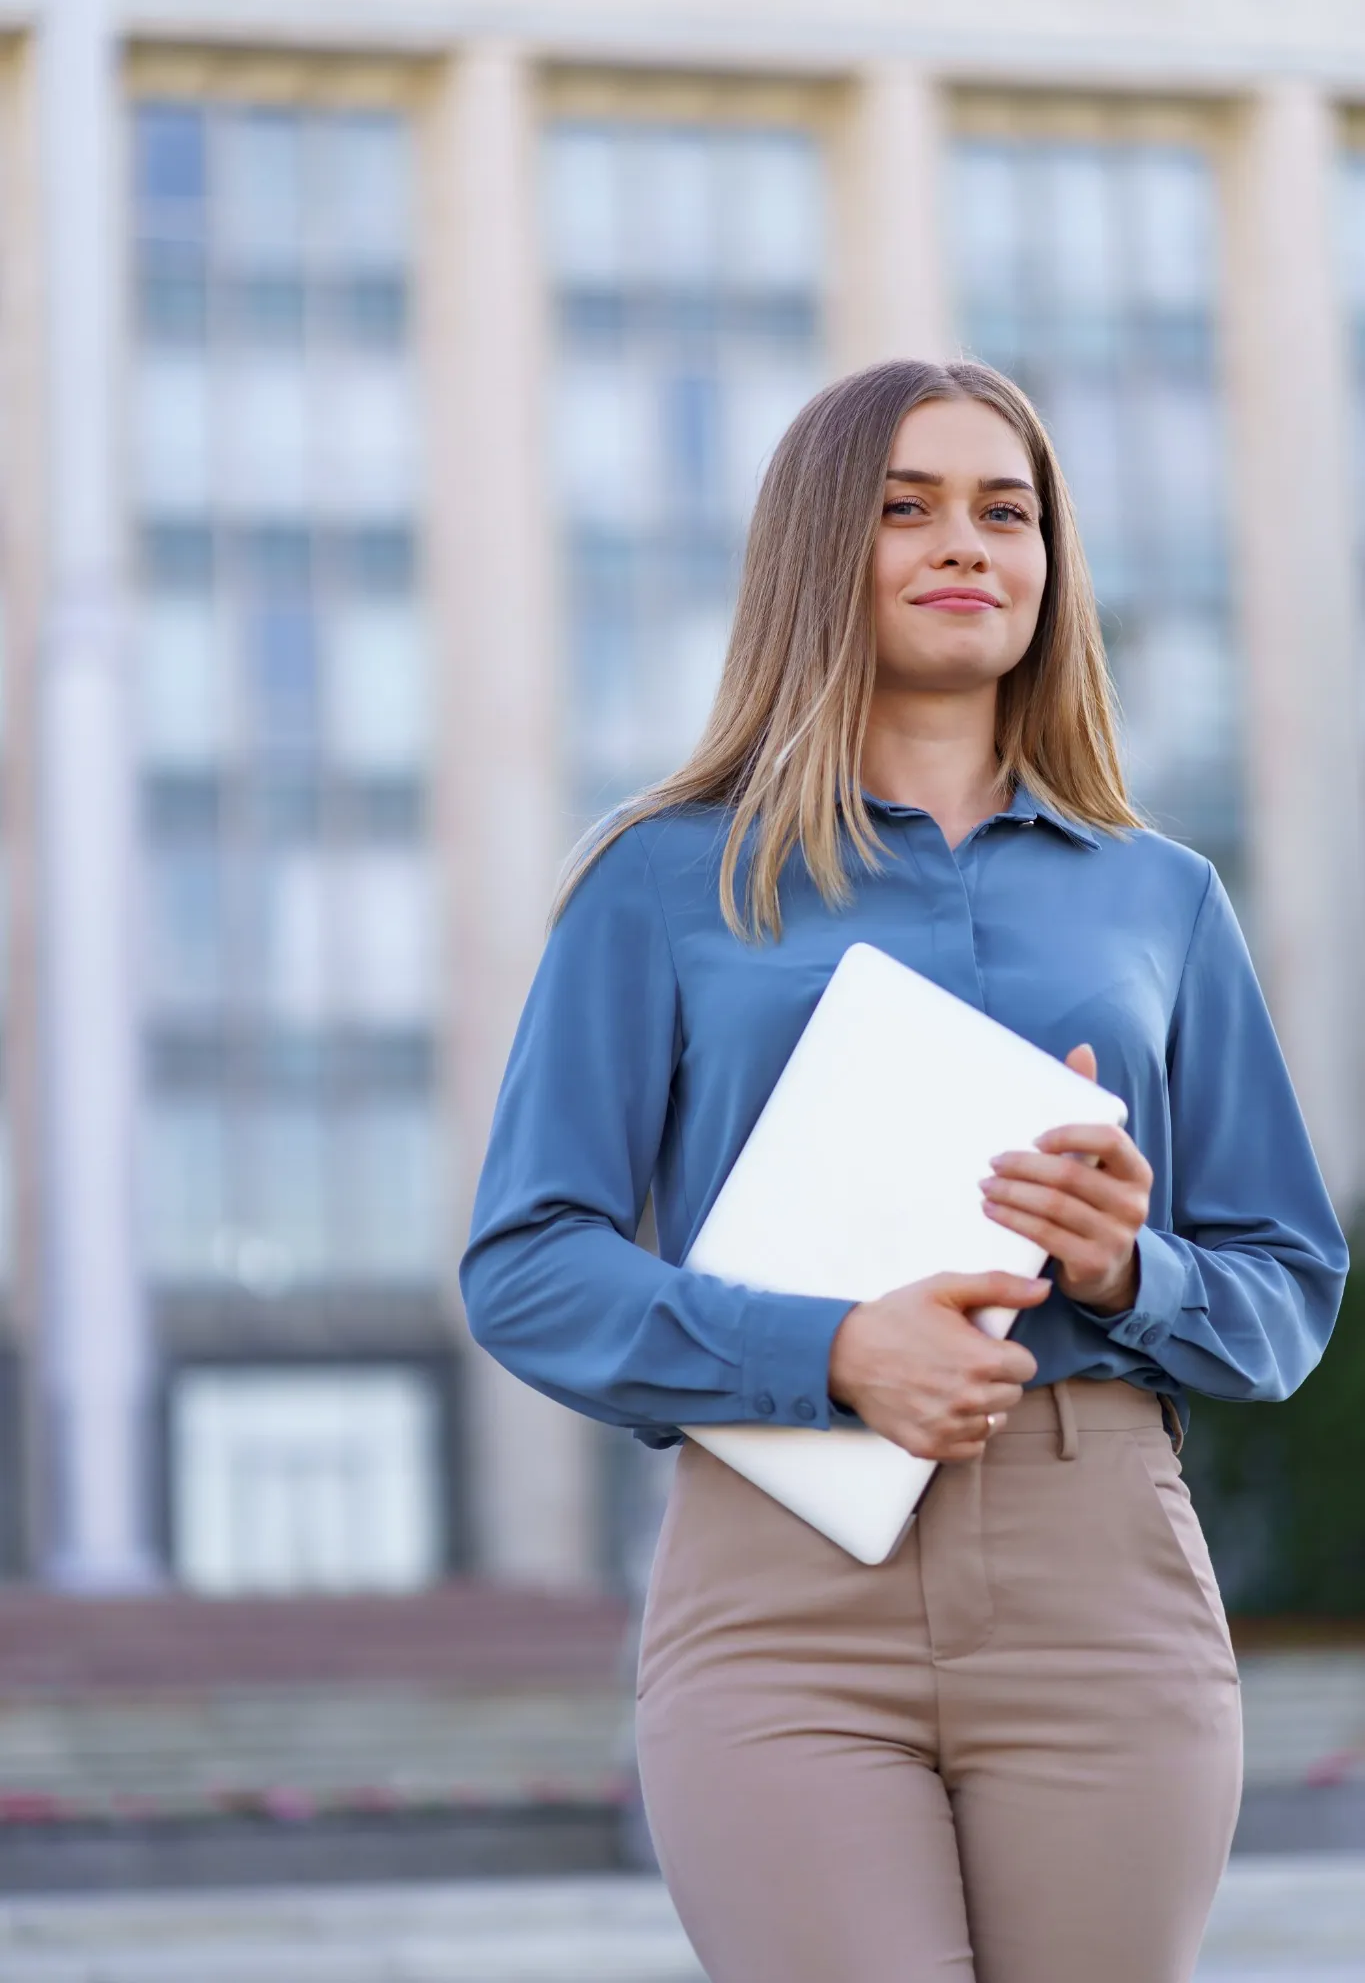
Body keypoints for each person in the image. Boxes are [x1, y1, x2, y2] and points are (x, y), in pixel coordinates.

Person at [459, 359, 1347, 1983]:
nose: (965, 544)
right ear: (820, 552)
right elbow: (529, 1261)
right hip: (781, 1579)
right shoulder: (662, 879)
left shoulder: (1162, 898)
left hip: (1101, 1578)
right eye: (906, 508)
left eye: (1006, 512)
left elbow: (1288, 1288)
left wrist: (1126, 1266)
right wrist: (833, 1350)